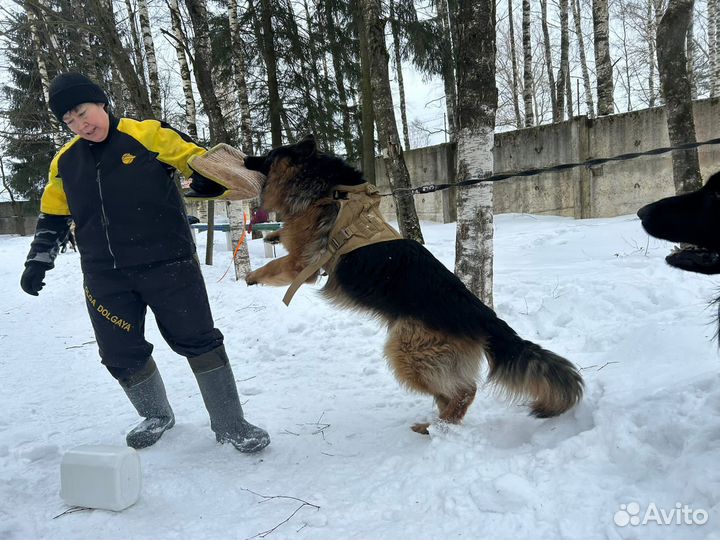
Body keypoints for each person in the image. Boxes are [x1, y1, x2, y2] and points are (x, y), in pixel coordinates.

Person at [20, 72, 269, 453]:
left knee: (198, 341)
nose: (80, 124)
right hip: (105, 275)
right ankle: (156, 414)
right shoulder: (65, 162)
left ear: (101, 102)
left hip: (169, 264)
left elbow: (198, 163)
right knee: (119, 351)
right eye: (69, 120)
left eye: (83, 112)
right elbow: (54, 216)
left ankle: (231, 424)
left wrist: (208, 181)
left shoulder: (148, 134)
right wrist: (38, 261)